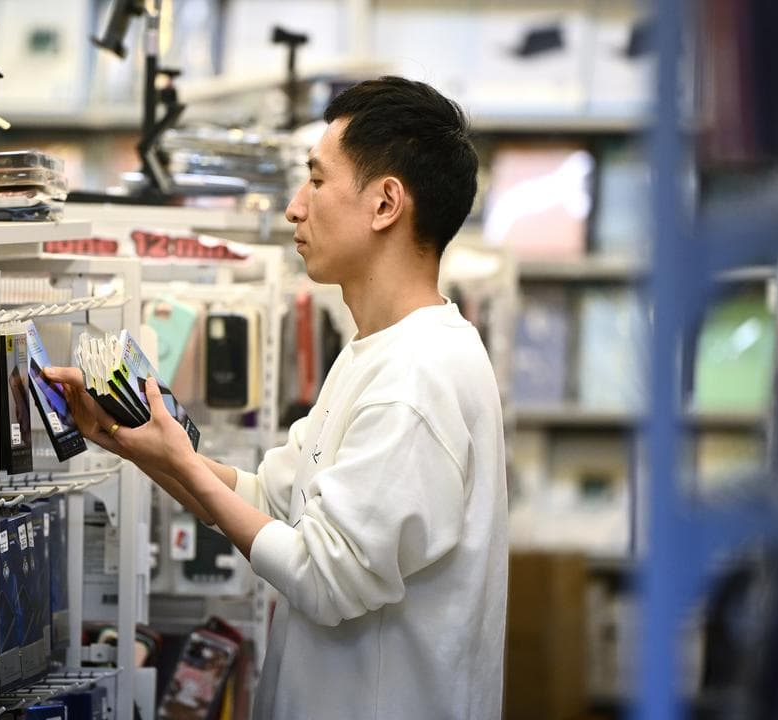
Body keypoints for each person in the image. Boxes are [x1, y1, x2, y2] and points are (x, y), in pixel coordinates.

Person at [46, 76, 507, 719]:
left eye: (316, 181)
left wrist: (181, 463)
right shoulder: (379, 351)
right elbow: (270, 500)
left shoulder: (417, 378)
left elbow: (324, 578)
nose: (294, 207)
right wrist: (136, 444)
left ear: (385, 204)